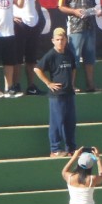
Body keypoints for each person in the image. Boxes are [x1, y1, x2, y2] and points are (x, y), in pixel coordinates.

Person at [34, 28, 77, 157]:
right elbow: (37, 69)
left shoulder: (69, 53)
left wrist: (72, 84)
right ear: (53, 41)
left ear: (66, 40)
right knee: (57, 123)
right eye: (57, 40)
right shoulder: (50, 55)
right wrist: (48, 83)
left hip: (69, 93)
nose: (60, 42)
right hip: (57, 96)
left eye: (62, 39)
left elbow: (74, 68)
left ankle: (71, 149)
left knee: (70, 122)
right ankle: (55, 149)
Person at [58, 0, 99, 92]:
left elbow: (94, 5)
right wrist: (74, 12)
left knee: (90, 57)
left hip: (90, 27)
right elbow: (61, 7)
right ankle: (71, 85)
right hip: (75, 28)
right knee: (74, 57)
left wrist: (97, 11)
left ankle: (91, 85)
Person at [7, 0, 43, 95]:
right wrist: (11, 16)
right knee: (18, 57)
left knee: (31, 58)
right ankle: (16, 85)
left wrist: (39, 17)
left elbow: (37, 0)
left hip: (33, 22)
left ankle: (31, 86)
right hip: (20, 23)